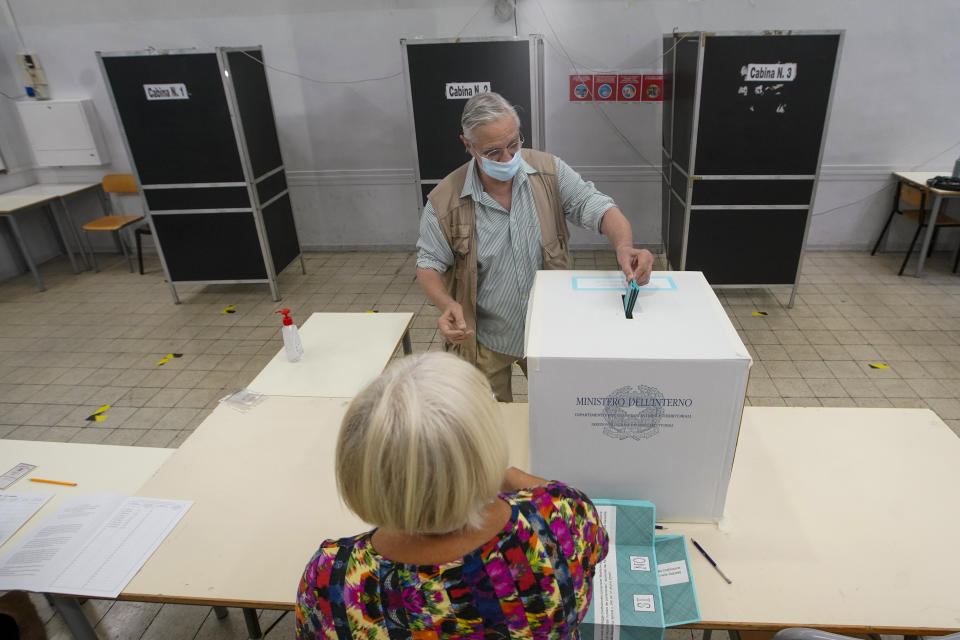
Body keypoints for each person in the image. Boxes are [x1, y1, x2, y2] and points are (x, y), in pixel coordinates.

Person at [296, 352, 609, 639]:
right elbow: (558, 502)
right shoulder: (563, 518)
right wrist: (485, 468)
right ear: (489, 444)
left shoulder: (332, 577)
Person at [417, 91, 654, 401]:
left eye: (514, 144)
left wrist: (624, 245)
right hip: (484, 341)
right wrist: (447, 304)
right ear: (468, 146)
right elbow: (428, 263)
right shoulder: (445, 201)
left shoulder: (548, 173)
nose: (508, 158)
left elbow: (597, 206)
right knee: (492, 428)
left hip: (549, 333)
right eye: (493, 152)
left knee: (558, 413)